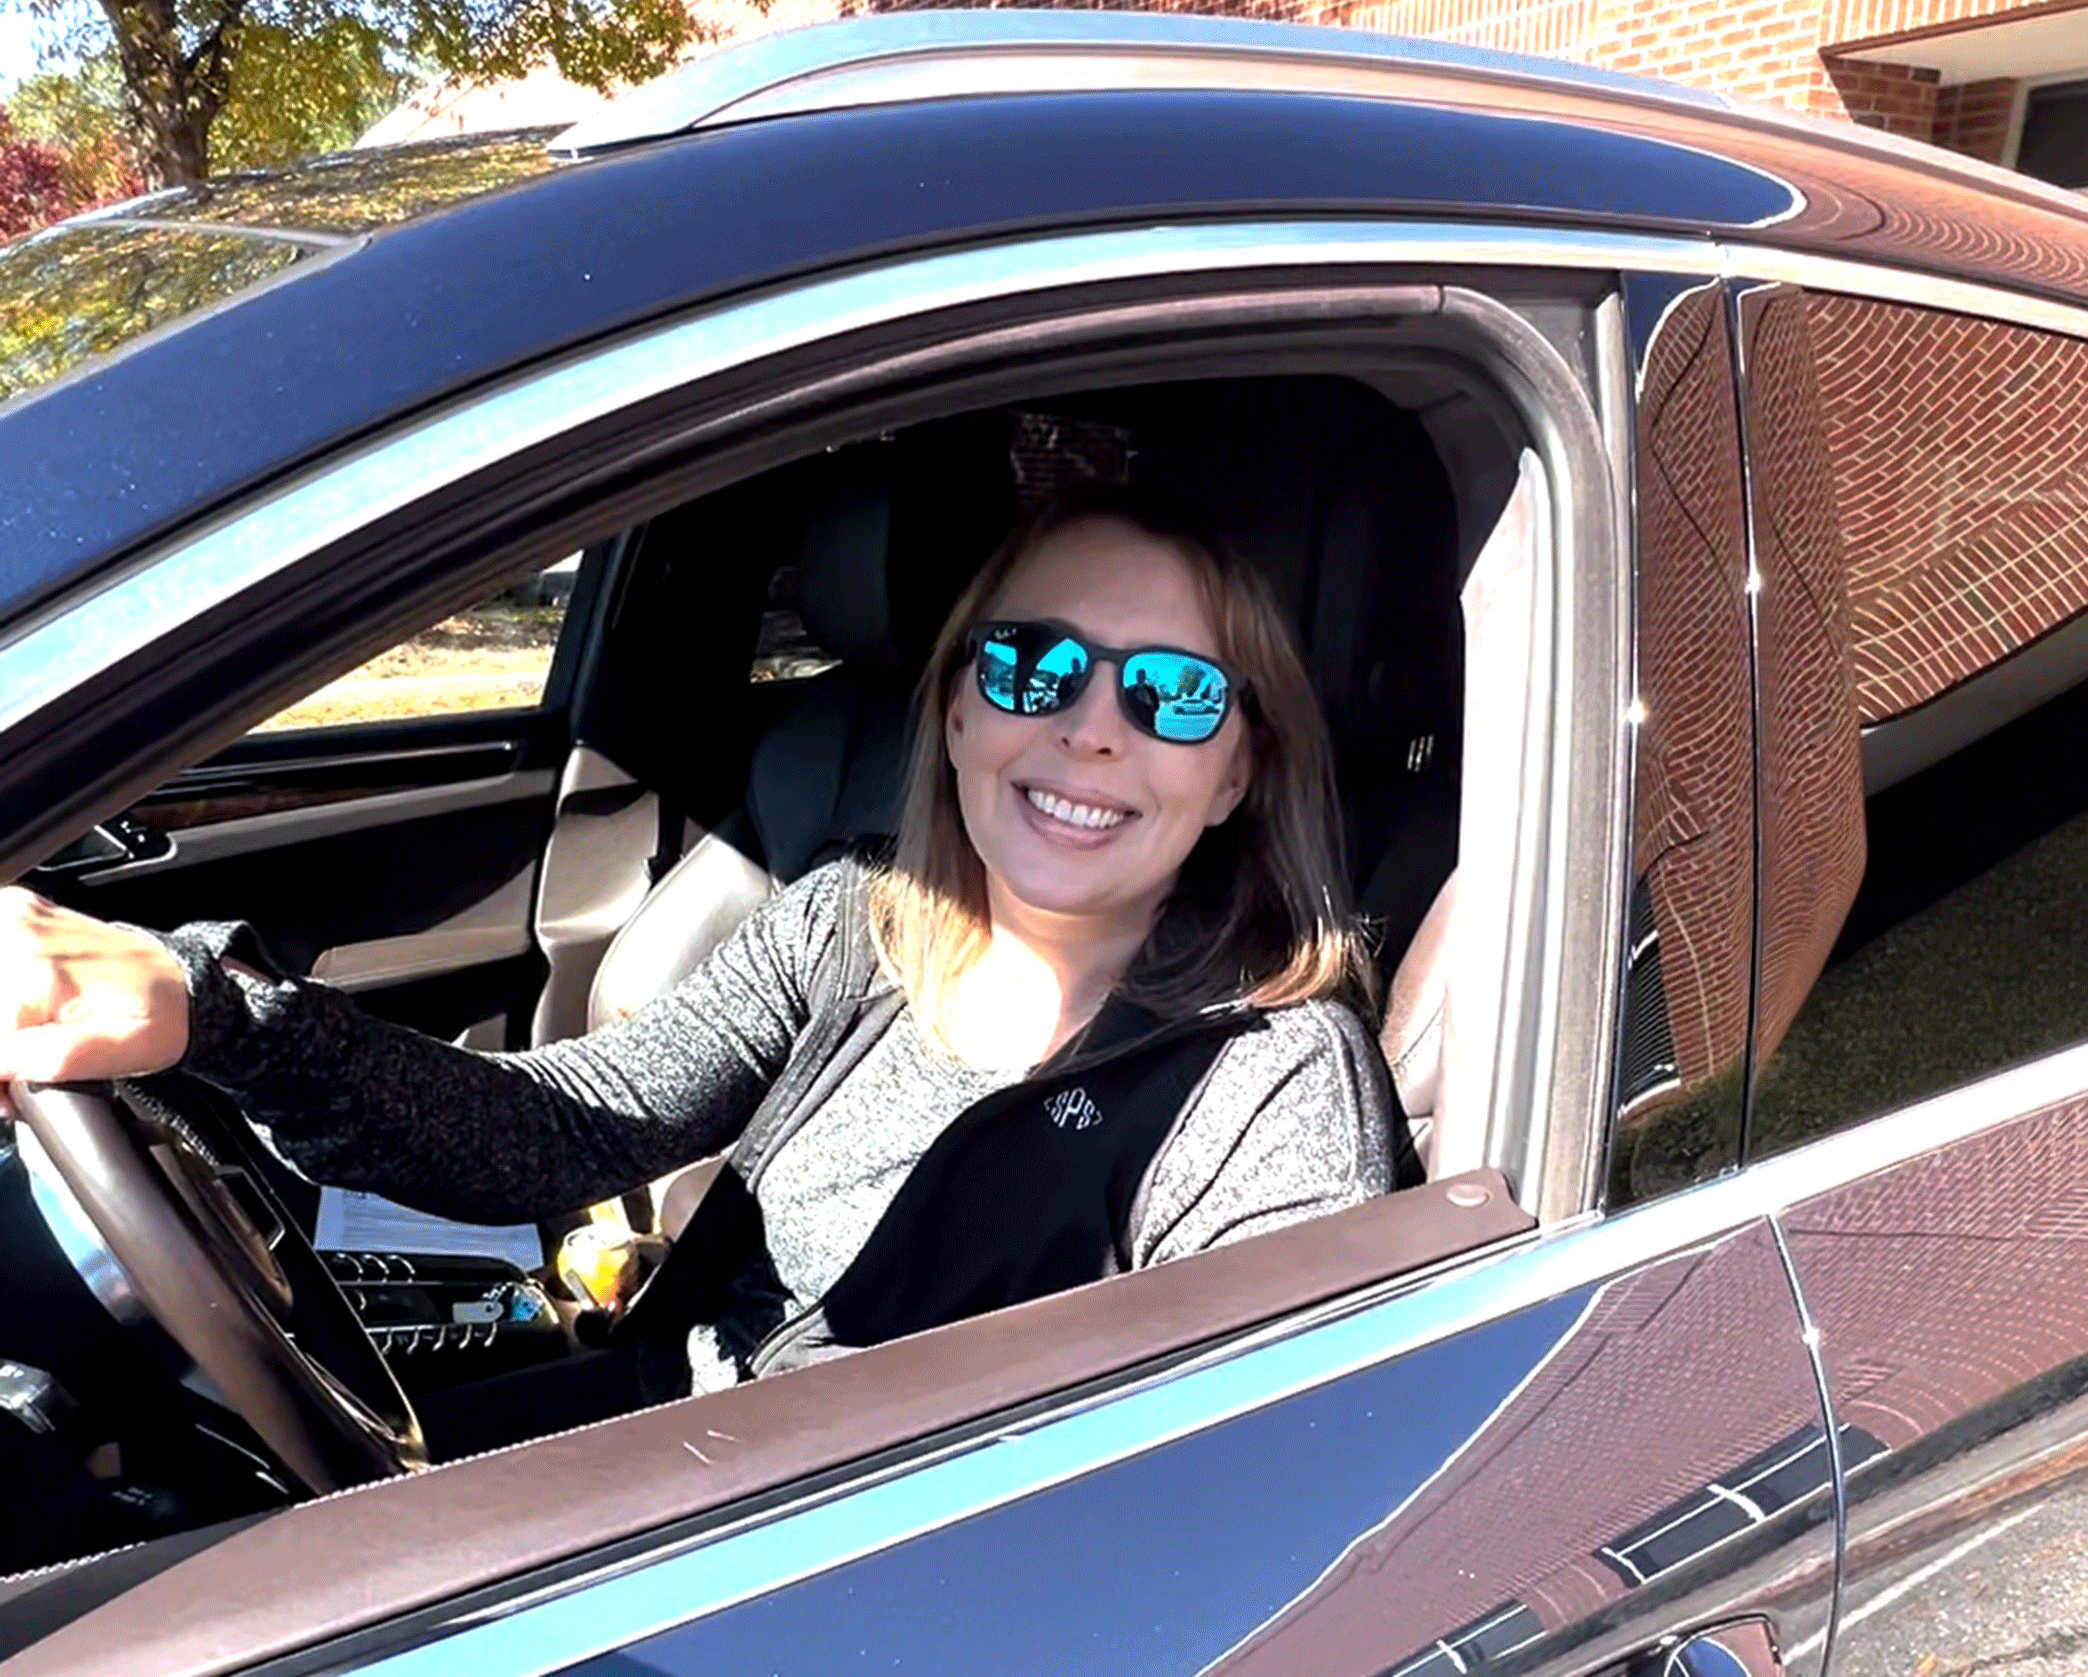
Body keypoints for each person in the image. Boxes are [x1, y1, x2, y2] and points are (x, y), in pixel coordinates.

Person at [0, 492, 1410, 1450]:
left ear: (1237, 774)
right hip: (670, 1421)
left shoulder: (1270, 1085)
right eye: (1033, 666)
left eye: (1174, 694)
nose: (1092, 729)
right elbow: (558, 1129)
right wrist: (210, 1013)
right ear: (956, 712)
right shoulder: (855, 920)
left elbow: (1231, 1490)